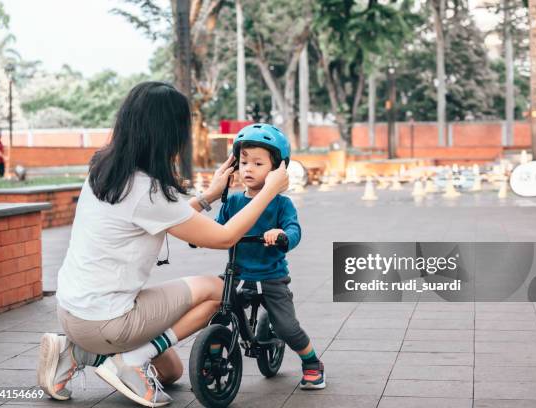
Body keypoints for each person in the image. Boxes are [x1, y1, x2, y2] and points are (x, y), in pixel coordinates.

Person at [36, 82, 289, 408]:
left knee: (171, 371)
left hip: (73, 312)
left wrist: (210, 195)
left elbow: (164, 217)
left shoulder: (105, 167)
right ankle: (131, 359)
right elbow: (223, 237)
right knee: (215, 289)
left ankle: (75, 351)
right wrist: (270, 190)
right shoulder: (148, 190)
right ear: (169, 132)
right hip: (106, 320)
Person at [216, 123, 326, 390]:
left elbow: (294, 230)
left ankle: (312, 363)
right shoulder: (232, 201)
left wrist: (282, 235)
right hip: (238, 273)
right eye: (243, 162)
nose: (248, 169)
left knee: (287, 328)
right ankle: (211, 356)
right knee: (217, 313)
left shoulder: (281, 203)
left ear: (277, 170)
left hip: (271, 277)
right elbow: (216, 228)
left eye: (257, 163)